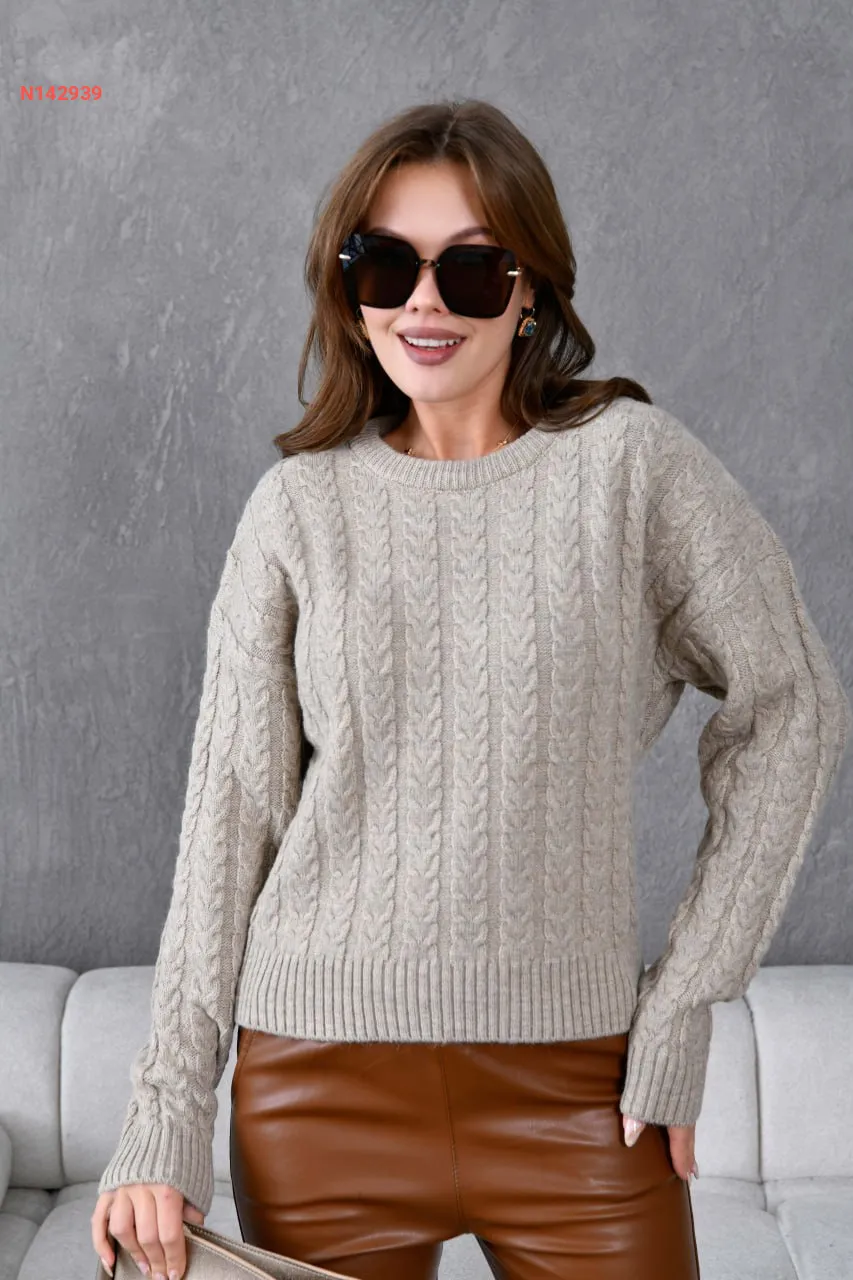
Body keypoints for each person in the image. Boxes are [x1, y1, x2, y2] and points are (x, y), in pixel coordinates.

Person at [91, 98, 850, 1280]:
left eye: (471, 270)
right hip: (317, 1091)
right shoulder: (297, 511)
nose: (423, 304)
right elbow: (229, 820)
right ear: (348, 288)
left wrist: (684, 1001)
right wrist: (164, 1110)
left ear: (530, 290)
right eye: (384, 265)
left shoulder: (632, 471)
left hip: (583, 1086)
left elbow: (791, 700)